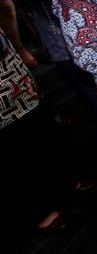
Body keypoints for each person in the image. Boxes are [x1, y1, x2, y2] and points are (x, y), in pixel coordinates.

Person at [0, 27, 73, 250]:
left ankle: (59, 190)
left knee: (38, 140)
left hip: (16, 87)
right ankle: (42, 211)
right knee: (20, 155)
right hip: (8, 101)